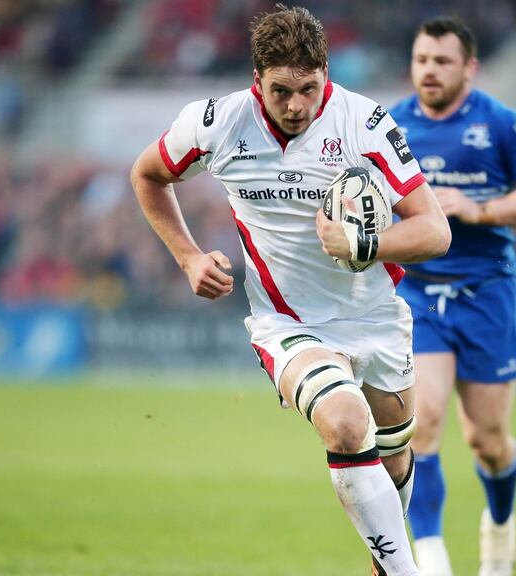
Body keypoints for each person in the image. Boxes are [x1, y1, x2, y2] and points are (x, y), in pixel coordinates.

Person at [129, 6, 451, 576]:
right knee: (348, 426)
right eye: (281, 91)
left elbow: (435, 230)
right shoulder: (217, 123)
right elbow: (148, 174)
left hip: (377, 318)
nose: (297, 105)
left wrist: (367, 245)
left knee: (397, 461)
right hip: (289, 325)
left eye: (309, 88)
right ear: (257, 81)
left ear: (326, 73)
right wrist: (187, 257)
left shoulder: (365, 123)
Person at [389, 17, 516, 576]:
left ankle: (499, 524)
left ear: (469, 67)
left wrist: (480, 209)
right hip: (419, 294)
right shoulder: (389, 126)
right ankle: (433, 557)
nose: (429, 71)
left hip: (488, 293)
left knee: (488, 441)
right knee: (423, 422)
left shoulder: (502, 124)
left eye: (442, 61)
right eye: (421, 60)